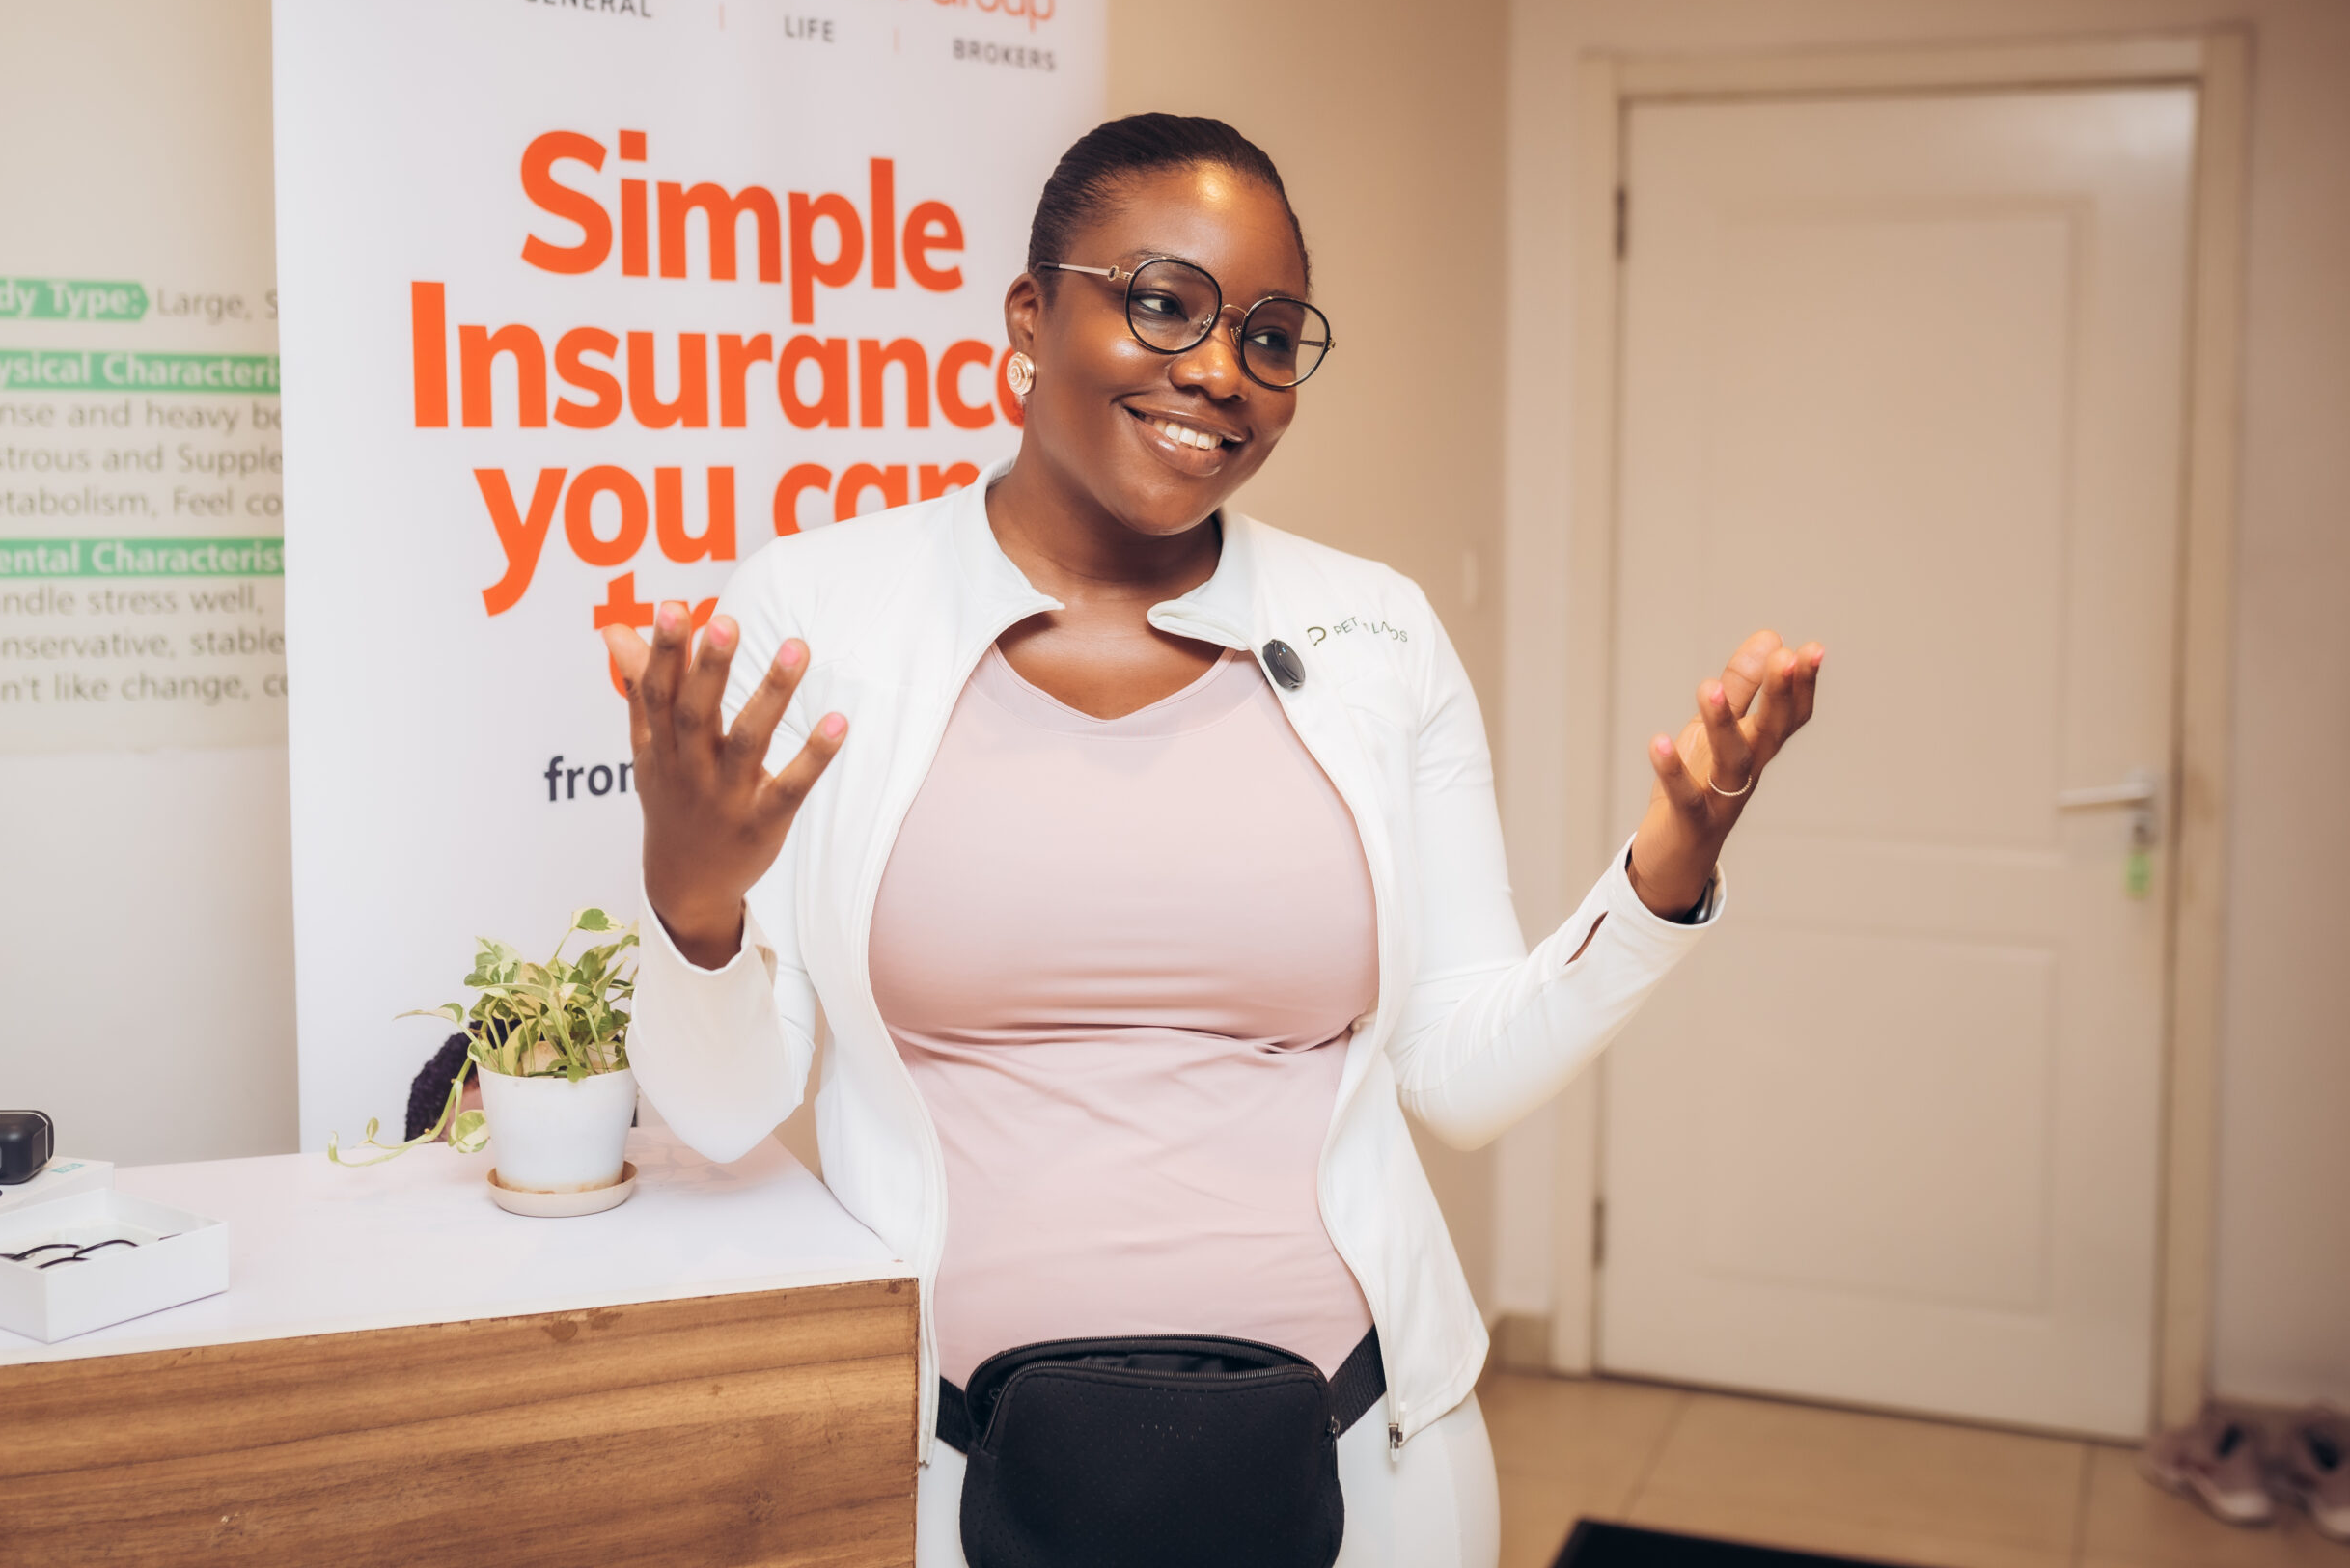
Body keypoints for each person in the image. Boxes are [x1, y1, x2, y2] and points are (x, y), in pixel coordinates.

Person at [603, 114, 1822, 1568]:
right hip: (947, 1481)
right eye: (1161, 301)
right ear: (1029, 312)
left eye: (1268, 333)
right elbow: (726, 1109)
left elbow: (1463, 1074)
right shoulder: (823, 616)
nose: (1216, 373)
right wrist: (694, 908)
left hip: (1369, 1472)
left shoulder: (1375, 634)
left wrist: (1665, 880)